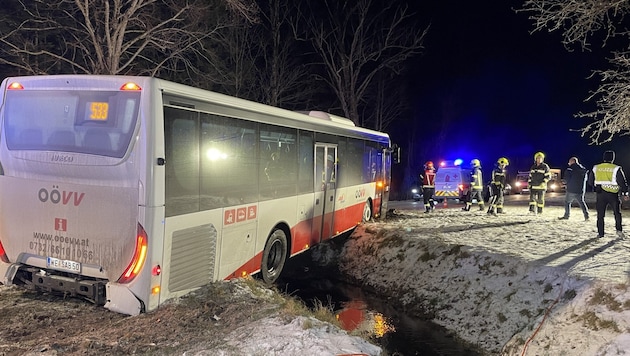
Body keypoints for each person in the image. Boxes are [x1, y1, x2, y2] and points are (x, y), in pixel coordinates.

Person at [588, 150, 629, 238]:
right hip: (613, 194)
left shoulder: (596, 167)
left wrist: (596, 187)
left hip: (600, 193)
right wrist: (625, 193)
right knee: (617, 213)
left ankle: (601, 233)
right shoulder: (616, 168)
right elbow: (622, 181)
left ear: (604, 158)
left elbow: (590, 181)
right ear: (612, 158)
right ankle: (619, 230)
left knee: (600, 215)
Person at [558, 156, 589, 221]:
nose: (568, 163)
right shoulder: (583, 170)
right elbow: (586, 180)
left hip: (571, 190)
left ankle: (567, 215)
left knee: (567, 202)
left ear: (572, 162)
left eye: (569, 162)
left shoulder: (570, 169)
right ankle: (586, 216)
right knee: (582, 203)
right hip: (580, 190)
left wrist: (562, 183)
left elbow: (566, 179)